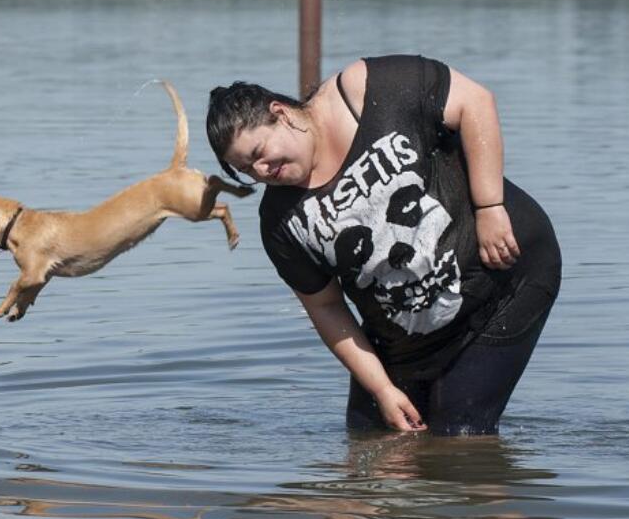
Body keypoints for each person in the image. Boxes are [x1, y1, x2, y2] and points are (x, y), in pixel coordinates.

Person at [206, 55, 560, 436]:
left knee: (458, 441)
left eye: (259, 153)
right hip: (405, 335)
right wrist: (382, 389)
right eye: (246, 170)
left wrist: (490, 206)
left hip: (504, 284)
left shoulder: (367, 89)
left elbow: (475, 103)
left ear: (281, 113)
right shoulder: (280, 222)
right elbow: (326, 308)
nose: (261, 171)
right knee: (371, 443)